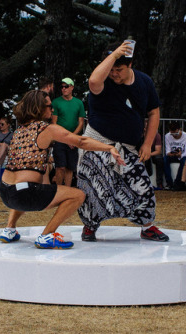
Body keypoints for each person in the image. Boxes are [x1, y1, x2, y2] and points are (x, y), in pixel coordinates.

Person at [0, 90, 125, 249]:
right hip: (25, 195)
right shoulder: (47, 128)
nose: (52, 110)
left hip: (5, 192)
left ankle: (9, 229)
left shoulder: (19, 130)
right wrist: (109, 148)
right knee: (78, 195)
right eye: (49, 106)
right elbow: (81, 141)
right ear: (38, 107)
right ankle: (46, 235)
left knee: (22, 186)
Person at [77, 40, 169, 242]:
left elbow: (154, 112)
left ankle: (147, 226)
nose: (114, 74)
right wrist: (114, 56)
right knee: (94, 187)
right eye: (111, 69)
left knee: (142, 186)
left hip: (129, 146)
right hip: (98, 143)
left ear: (130, 65)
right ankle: (90, 226)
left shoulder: (144, 81)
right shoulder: (102, 80)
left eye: (118, 69)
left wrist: (147, 143)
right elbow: (93, 81)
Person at [51, 77, 86, 186]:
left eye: (66, 86)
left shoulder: (79, 103)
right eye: (62, 87)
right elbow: (54, 123)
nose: (63, 89)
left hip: (73, 139)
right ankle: (58, 191)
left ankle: (67, 191)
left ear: (72, 87)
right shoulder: (56, 102)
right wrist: (65, 139)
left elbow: (81, 123)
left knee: (70, 168)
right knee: (60, 166)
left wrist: (71, 138)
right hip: (60, 139)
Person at [163, 122, 186, 190]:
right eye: (172, 134)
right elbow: (167, 151)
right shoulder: (167, 136)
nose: (174, 136)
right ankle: (169, 183)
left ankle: (177, 183)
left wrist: (180, 155)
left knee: (184, 161)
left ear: (179, 130)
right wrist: (171, 154)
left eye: (175, 133)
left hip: (183, 155)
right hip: (173, 155)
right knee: (165, 159)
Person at [144, 126, 164, 190]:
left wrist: (149, 154)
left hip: (151, 153)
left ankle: (159, 182)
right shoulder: (139, 135)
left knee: (159, 159)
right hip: (141, 153)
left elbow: (158, 151)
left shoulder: (156, 135)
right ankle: (145, 183)